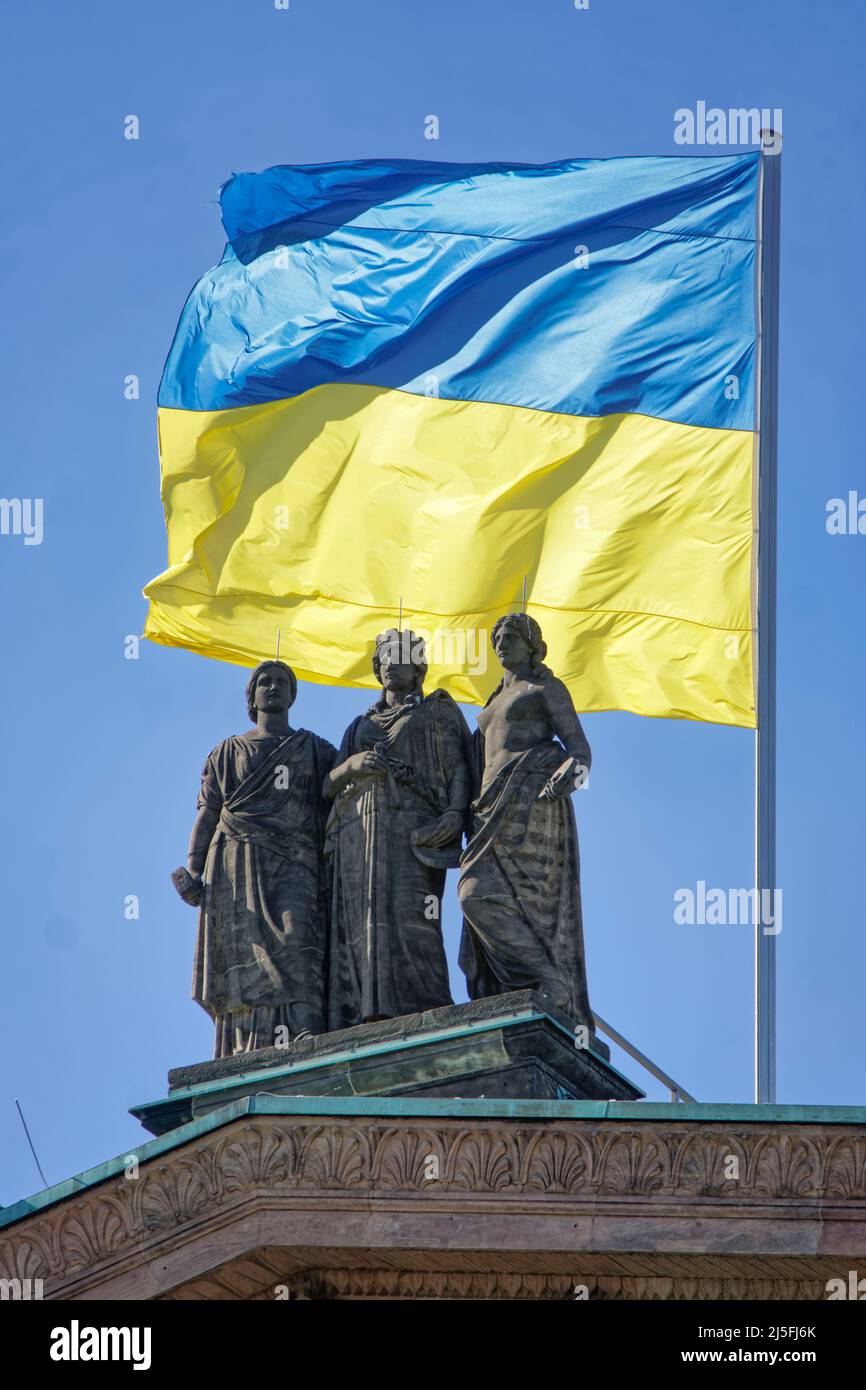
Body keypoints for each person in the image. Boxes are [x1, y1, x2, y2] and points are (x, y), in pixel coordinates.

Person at [172, 661, 336, 1057]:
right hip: (235, 863)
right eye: (265, 681)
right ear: (252, 695)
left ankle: (304, 1029)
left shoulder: (315, 749)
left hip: (296, 860)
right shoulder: (227, 752)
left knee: (298, 937)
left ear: (293, 695)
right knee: (242, 954)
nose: (274, 687)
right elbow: (209, 814)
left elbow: (337, 794)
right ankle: (241, 1045)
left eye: (282, 682)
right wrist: (193, 870)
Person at [324, 629, 472, 1027]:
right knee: (363, 922)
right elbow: (328, 783)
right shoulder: (358, 725)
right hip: (358, 831)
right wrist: (353, 766)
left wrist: (455, 813)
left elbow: (459, 768)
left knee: (415, 915)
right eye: (385, 656)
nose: (392, 662)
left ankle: (425, 1005)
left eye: (402, 656)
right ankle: (365, 1010)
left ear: (419, 668)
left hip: (413, 827)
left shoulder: (435, 711)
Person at [458, 613, 594, 1024]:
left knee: (499, 900)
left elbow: (582, 754)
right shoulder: (493, 698)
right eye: (498, 637)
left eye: (512, 637)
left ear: (533, 645)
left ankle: (547, 981)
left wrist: (567, 775)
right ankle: (525, 984)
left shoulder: (546, 688)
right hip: (487, 813)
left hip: (531, 803)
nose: (502, 643)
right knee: (475, 895)